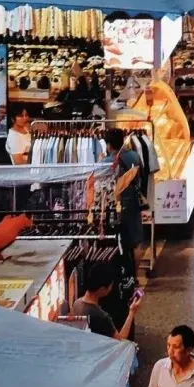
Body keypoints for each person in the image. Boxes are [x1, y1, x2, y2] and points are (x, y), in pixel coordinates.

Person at [65, 259, 142, 340]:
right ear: (102, 289)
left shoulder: (76, 303)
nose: (111, 288)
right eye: (110, 285)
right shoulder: (102, 317)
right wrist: (132, 312)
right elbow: (119, 340)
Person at [105, 127, 145, 282]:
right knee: (135, 242)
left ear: (109, 145)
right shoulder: (135, 156)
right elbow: (141, 177)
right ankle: (135, 277)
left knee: (116, 241)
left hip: (115, 205)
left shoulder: (107, 162)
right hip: (133, 202)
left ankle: (121, 277)